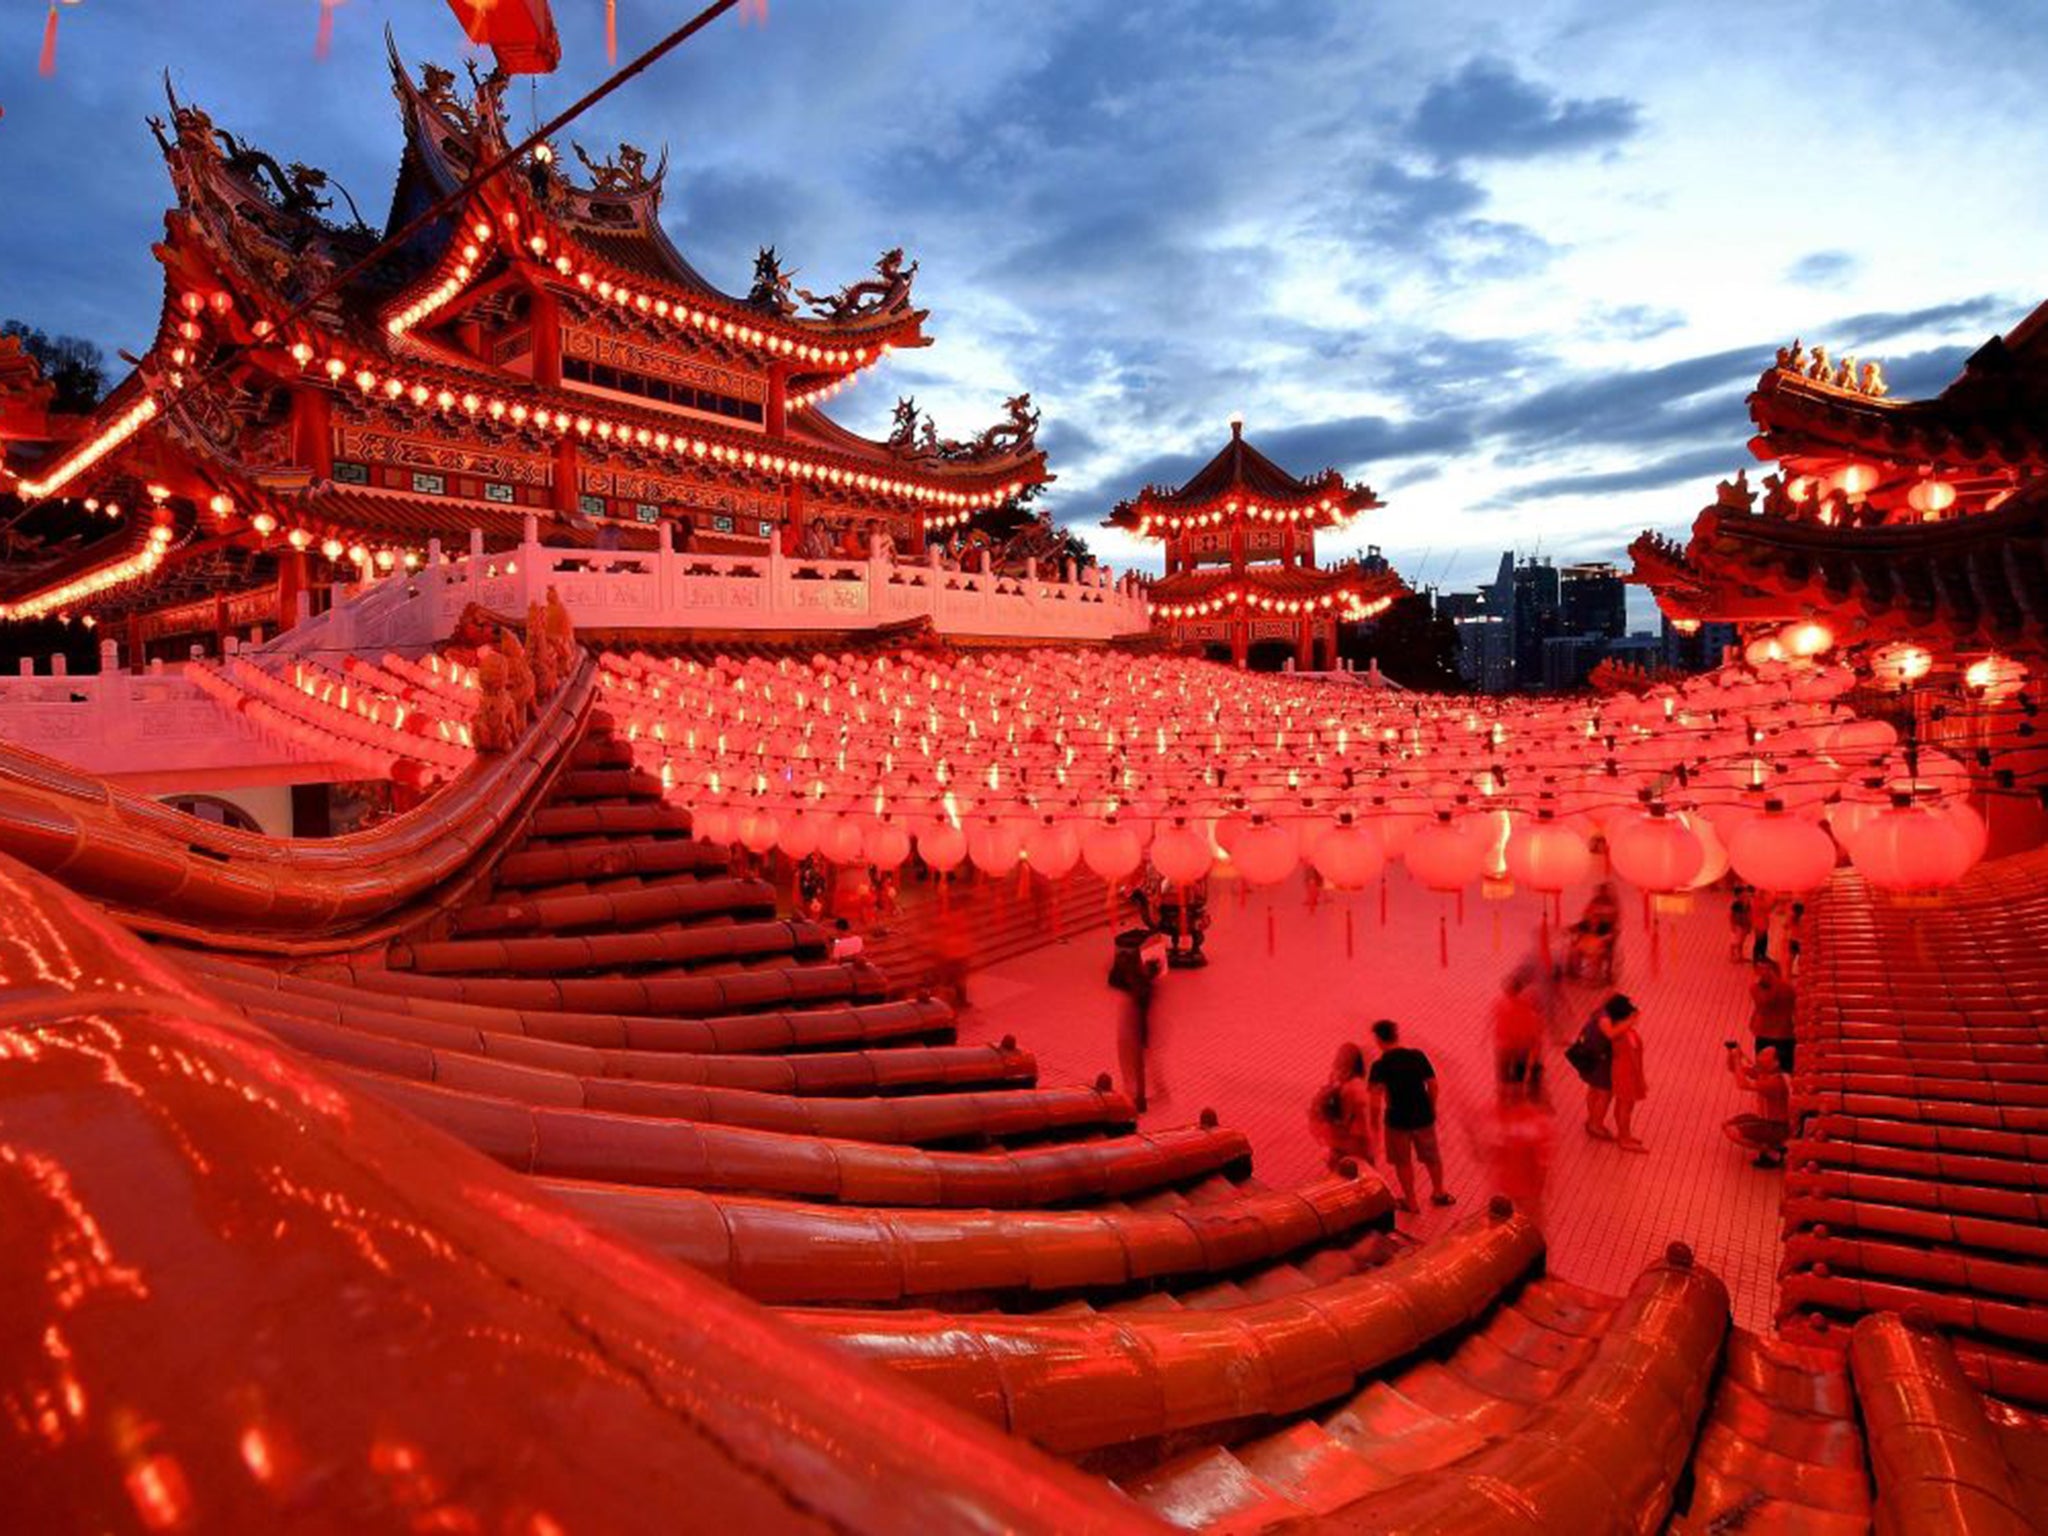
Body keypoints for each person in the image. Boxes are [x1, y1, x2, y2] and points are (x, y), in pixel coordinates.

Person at [1367, 1019, 1454, 1214]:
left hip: (1397, 1120)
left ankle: (1412, 1202)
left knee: (1402, 1161)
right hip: (1423, 1117)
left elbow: (1375, 1099)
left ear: (1378, 1040)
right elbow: (1433, 1085)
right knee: (1432, 1157)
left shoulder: (1380, 1066)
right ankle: (1439, 1193)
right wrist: (1430, 1108)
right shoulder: (1417, 1056)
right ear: (1396, 1035)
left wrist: (1374, 1124)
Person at [1572, 993, 1648, 1152]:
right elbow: (1613, 1036)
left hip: (1591, 1055)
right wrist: (1630, 1021)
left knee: (1594, 1089)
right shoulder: (1612, 1026)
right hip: (1602, 1061)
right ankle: (1596, 1124)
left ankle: (1593, 1120)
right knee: (1604, 1094)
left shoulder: (1600, 1013)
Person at [1309, 1043, 1376, 1173]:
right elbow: (1356, 1121)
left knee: (1337, 1175)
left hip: (1337, 1140)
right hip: (1352, 1143)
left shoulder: (1336, 1080)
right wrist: (1369, 1148)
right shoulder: (1355, 1088)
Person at [1723, 1043, 1790, 1167]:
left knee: (1732, 1131)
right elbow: (1734, 1069)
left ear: (1775, 1063)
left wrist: (1738, 1059)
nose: (1759, 1056)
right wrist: (1732, 1055)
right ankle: (1771, 1147)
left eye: (1765, 1055)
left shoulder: (1777, 1082)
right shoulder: (1765, 1072)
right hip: (1764, 1119)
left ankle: (1772, 1150)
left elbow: (1743, 1085)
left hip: (1777, 1126)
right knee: (1727, 1124)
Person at [1491, 964, 1546, 1104]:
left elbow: (1495, 1023)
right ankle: (1516, 1097)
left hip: (1506, 1044)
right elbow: (1536, 1028)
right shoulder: (1528, 1006)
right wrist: (1536, 1045)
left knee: (1503, 1071)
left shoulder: (1500, 1005)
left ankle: (1503, 1098)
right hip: (1522, 1045)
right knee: (1518, 1072)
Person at [1749, 958, 1798, 1072]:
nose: (1763, 973)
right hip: (1765, 1033)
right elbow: (1765, 1002)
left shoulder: (1787, 988)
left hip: (1784, 1034)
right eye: (1759, 970)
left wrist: (1776, 981)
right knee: (1763, 1068)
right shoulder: (1755, 988)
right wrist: (1777, 982)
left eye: (1767, 969)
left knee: (1786, 1069)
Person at [1727, 884, 1753, 963]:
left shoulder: (1747, 902)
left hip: (1745, 923)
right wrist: (1732, 925)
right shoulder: (1735, 903)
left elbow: (1749, 912)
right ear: (1738, 894)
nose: (1745, 894)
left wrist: (1750, 923)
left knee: (1742, 941)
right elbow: (1730, 915)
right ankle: (1732, 955)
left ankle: (1740, 956)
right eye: (1743, 892)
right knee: (1737, 941)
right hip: (1738, 924)